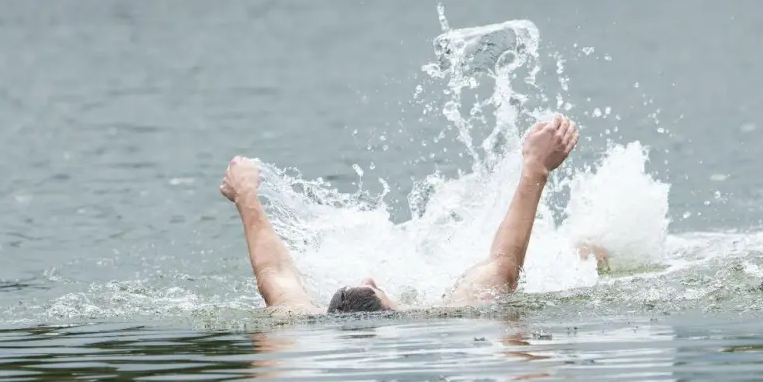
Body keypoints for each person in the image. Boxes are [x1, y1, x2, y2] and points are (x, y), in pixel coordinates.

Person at [219, 115, 581, 314]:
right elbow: (504, 264)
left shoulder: (301, 318)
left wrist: (246, 195)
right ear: (387, 301)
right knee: (583, 254)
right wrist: (535, 168)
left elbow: (275, 272)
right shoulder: (447, 315)